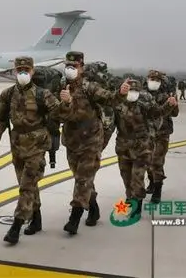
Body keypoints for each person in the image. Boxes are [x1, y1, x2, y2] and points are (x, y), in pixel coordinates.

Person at [0, 56, 69, 244]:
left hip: (37, 146)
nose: (23, 72)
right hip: (17, 145)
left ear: (32, 71)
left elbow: (61, 114)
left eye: (26, 69)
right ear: (15, 71)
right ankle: (36, 219)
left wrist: (67, 102)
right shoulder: (8, 94)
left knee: (27, 186)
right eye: (19, 70)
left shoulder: (42, 94)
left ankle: (16, 226)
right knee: (27, 185)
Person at [58, 51, 130, 235]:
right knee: (81, 177)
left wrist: (121, 93)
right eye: (68, 66)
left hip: (91, 140)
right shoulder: (61, 85)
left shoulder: (89, 87)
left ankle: (74, 219)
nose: (70, 69)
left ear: (81, 67)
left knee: (82, 179)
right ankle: (94, 207)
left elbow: (110, 98)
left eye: (74, 66)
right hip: (72, 140)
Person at [114, 79, 178, 218]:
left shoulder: (145, 104)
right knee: (126, 177)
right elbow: (109, 123)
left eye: (135, 91)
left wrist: (169, 104)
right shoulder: (118, 104)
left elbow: (159, 112)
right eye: (130, 90)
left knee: (137, 177)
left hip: (142, 147)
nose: (132, 93)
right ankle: (131, 197)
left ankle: (137, 205)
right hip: (123, 147)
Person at [144, 70, 179, 203]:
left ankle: (158, 188)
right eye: (152, 79)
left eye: (157, 80)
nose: (154, 82)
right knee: (147, 160)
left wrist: (173, 103)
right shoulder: (142, 94)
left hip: (162, 133)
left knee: (157, 161)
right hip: (146, 133)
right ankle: (152, 182)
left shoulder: (166, 95)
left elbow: (175, 113)